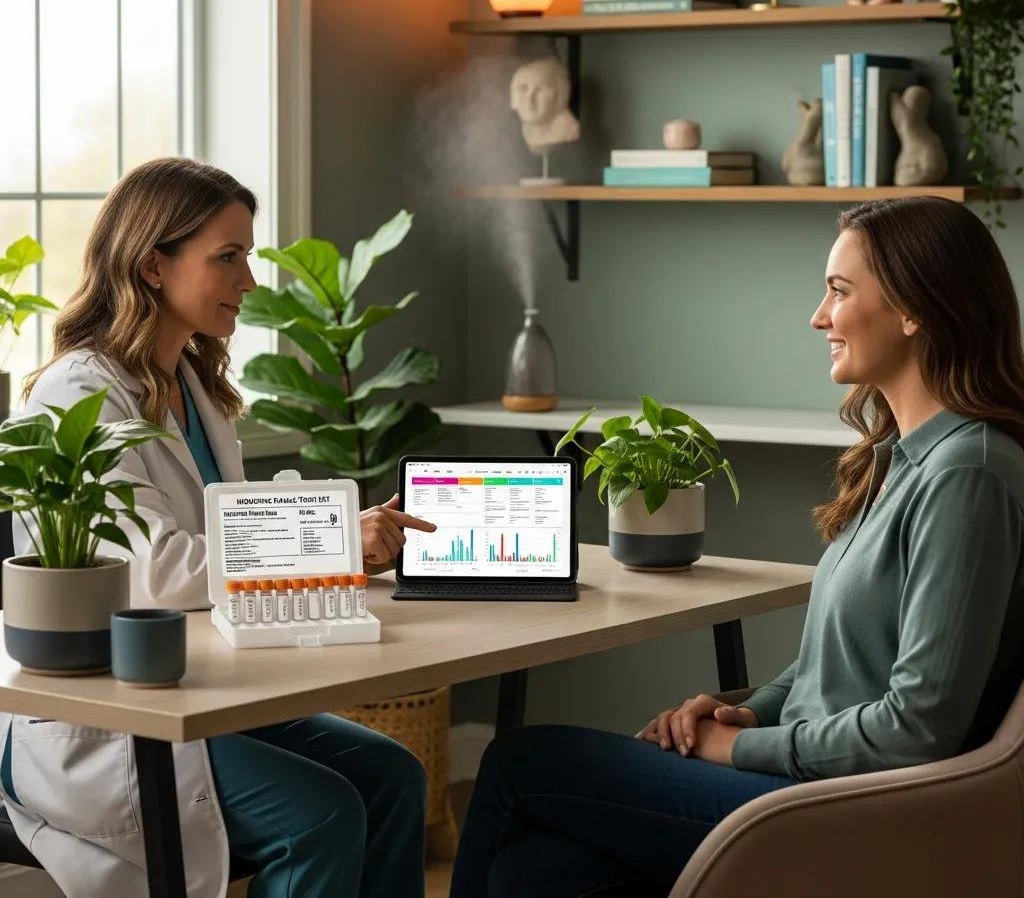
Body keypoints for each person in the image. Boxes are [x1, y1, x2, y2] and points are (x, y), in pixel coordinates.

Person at [450, 195, 1024, 898]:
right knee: (534, 874)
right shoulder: (901, 459)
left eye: (839, 292)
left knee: (519, 764)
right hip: (805, 775)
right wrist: (747, 710)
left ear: (915, 310)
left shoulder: (969, 474)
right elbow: (832, 667)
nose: (819, 316)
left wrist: (737, 747)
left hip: (857, 811)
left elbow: (918, 729)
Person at [0, 156, 438, 898]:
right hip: (106, 717)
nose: (251, 280)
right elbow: (158, 572)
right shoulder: (78, 394)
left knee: (394, 775)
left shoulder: (192, 385)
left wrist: (352, 538)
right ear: (152, 267)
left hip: (195, 689)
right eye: (227, 257)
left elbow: (233, 536)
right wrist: (333, 544)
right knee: (321, 816)